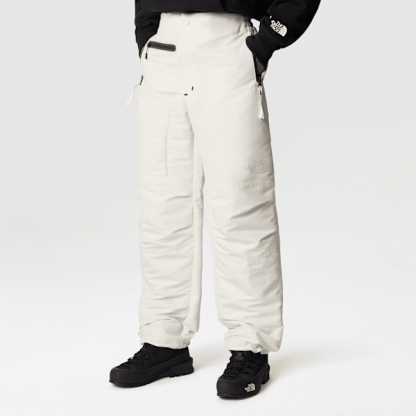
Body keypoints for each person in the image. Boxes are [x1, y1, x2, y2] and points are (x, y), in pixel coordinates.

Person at [110, 0, 321, 399]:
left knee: (241, 203)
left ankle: (251, 345)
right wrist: (147, 34)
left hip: (227, 46)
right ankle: (164, 340)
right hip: (164, 48)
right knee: (162, 204)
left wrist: (265, 42)